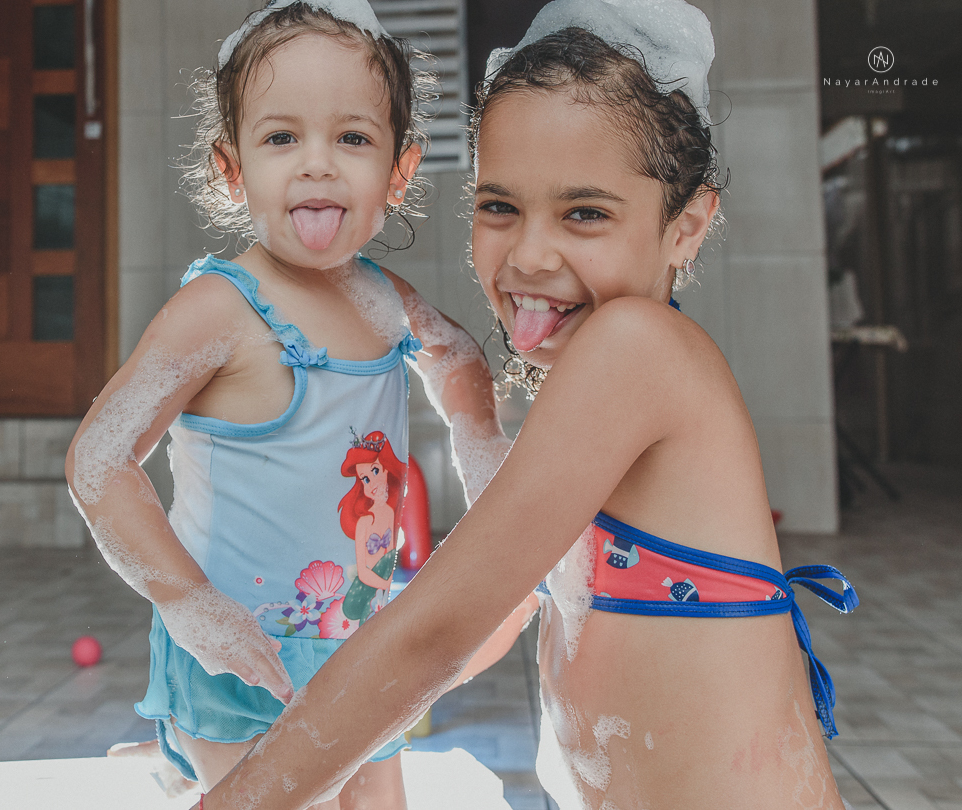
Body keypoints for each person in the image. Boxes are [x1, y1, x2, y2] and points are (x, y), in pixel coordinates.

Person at [196, 1, 858, 807]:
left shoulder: (638, 349)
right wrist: (304, 743)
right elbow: (499, 614)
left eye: (585, 213)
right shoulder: (603, 371)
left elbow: (438, 633)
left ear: (686, 227)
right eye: (499, 206)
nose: (530, 254)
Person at [64, 2, 531, 808]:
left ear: (399, 172)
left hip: (361, 654)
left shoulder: (386, 302)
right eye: (282, 138)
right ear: (232, 168)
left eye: (352, 138)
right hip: (241, 660)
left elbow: (457, 359)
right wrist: (191, 607)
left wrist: (480, 450)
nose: (317, 165)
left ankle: (170, 756)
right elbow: (98, 463)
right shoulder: (219, 310)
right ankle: (180, 749)